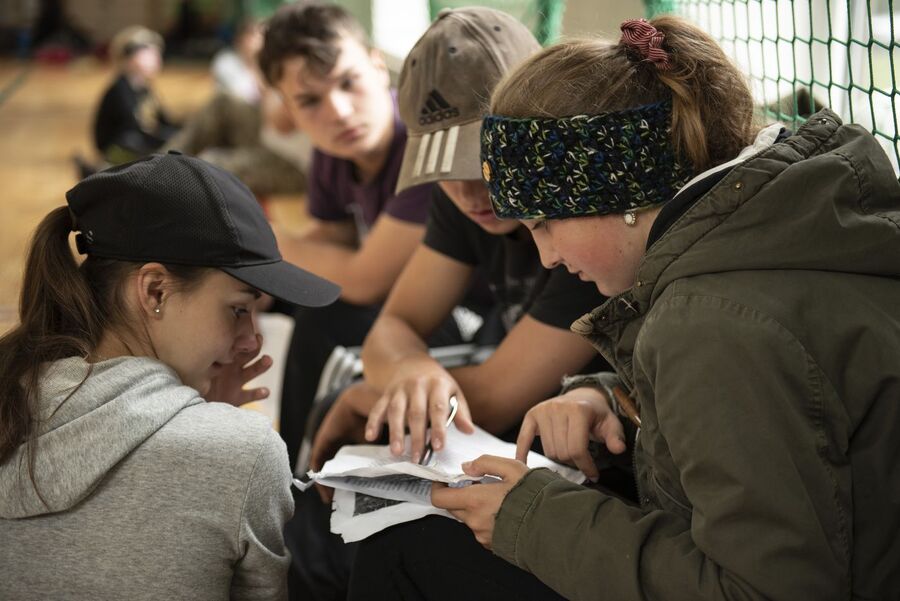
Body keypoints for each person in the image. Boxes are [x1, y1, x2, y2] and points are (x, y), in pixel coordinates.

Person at [352, 16, 900, 600]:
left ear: (623, 194)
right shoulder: (778, 235)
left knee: (402, 544)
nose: (547, 256)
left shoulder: (712, 324)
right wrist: (613, 396)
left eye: (546, 223)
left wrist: (532, 519)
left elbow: (762, 589)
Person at [291, 9, 611, 601]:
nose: (466, 192)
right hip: (517, 399)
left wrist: (373, 390)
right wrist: (411, 370)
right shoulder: (466, 199)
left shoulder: (582, 222)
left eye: (479, 161)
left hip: (583, 445)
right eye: (445, 169)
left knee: (378, 471)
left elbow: (496, 391)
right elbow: (395, 322)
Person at [0, 151, 341, 600]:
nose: (251, 341)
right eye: (239, 310)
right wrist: (213, 426)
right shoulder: (244, 454)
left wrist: (196, 411)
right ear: (155, 290)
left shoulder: (11, 396)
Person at [257, 1, 439, 469]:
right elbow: (332, 240)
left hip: (468, 312)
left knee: (325, 310)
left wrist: (263, 240)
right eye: (309, 100)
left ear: (379, 67)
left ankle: (298, 474)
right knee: (249, 290)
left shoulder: (422, 144)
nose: (338, 111)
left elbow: (363, 279)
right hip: (403, 307)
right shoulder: (336, 151)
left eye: (347, 82)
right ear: (287, 107)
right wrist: (256, 279)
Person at [164, 19, 310, 196]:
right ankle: (158, 166)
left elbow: (280, 123)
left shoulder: (301, 70)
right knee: (223, 102)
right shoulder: (242, 62)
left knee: (210, 163)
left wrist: (266, 72)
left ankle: (165, 192)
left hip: (293, 164)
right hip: (269, 139)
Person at [93, 26, 179, 164]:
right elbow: (134, 127)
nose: (157, 57)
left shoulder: (146, 89)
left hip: (140, 142)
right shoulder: (120, 89)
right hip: (118, 151)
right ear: (129, 57)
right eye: (150, 52)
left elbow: (163, 121)